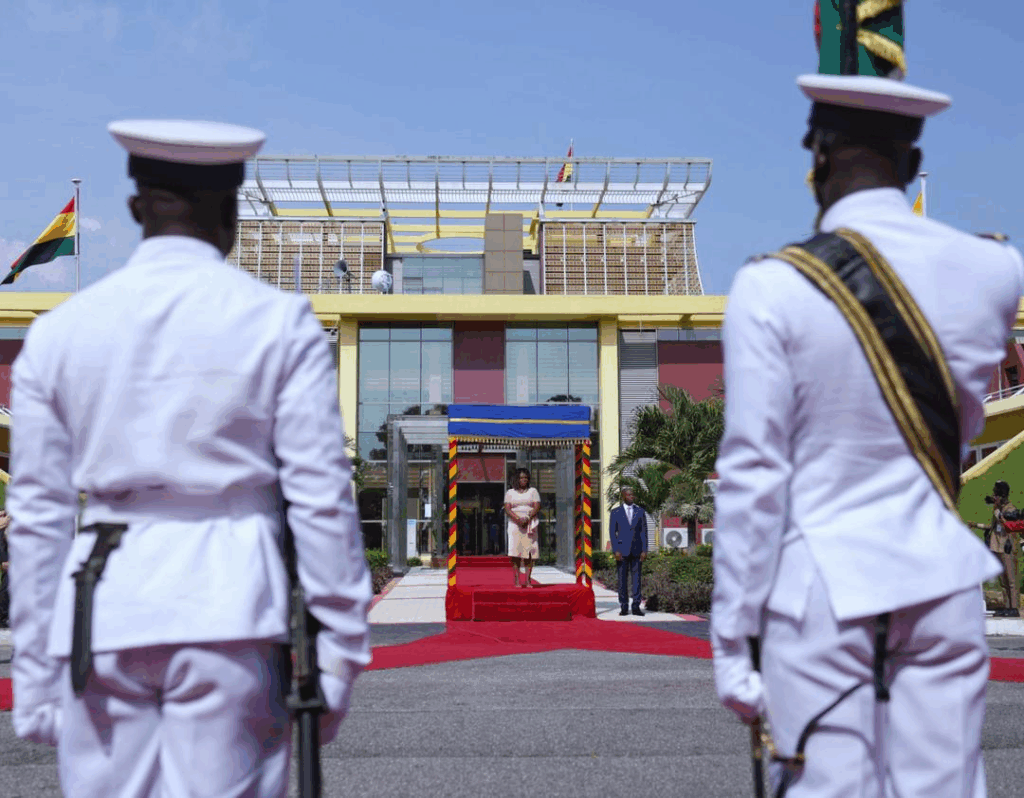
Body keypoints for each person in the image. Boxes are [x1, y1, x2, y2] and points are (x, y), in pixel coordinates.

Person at [6, 119, 372, 797]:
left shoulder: (59, 333)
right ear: (230, 212)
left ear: (137, 208)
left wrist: (33, 670)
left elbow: (37, 516)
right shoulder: (278, 323)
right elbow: (322, 498)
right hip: (229, 604)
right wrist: (339, 650)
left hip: (101, 608)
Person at [711, 11, 1024, 796]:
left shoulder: (770, 287)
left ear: (815, 158)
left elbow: (753, 475)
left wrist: (732, 639)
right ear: (913, 159)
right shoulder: (994, 274)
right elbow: (968, 424)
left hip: (821, 586)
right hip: (943, 579)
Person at [971, 480, 1021, 617]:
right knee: (1003, 581)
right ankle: (1007, 607)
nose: (994, 498)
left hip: (1007, 548)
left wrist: (999, 514)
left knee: (1011, 580)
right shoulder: (997, 510)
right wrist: (975, 525)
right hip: (996, 547)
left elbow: (1011, 527)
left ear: (1002, 496)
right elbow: (993, 528)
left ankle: (1014, 608)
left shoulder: (1010, 510)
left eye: (996, 495)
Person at [609, 487, 648, 616]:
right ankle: (624, 607)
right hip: (621, 551)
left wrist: (644, 550)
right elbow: (612, 533)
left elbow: (643, 532)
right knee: (622, 580)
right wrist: (615, 550)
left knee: (636, 580)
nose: (632, 497)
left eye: (633, 495)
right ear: (624, 496)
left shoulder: (640, 511)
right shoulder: (615, 512)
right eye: (629, 495)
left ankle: (636, 606)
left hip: (637, 551)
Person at [504, 468, 540, 587]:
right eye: (521, 478)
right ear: (516, 479)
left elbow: (537, 506)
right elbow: (507, 509)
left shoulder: (533, 491)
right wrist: (518, 519)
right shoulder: (510, 492)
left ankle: (528, 580)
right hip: (515, 525)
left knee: (529, 552)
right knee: (516, 552)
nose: (523, 480)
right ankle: (517, 580)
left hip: (530, 524)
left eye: (525, 477)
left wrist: (528, 518)